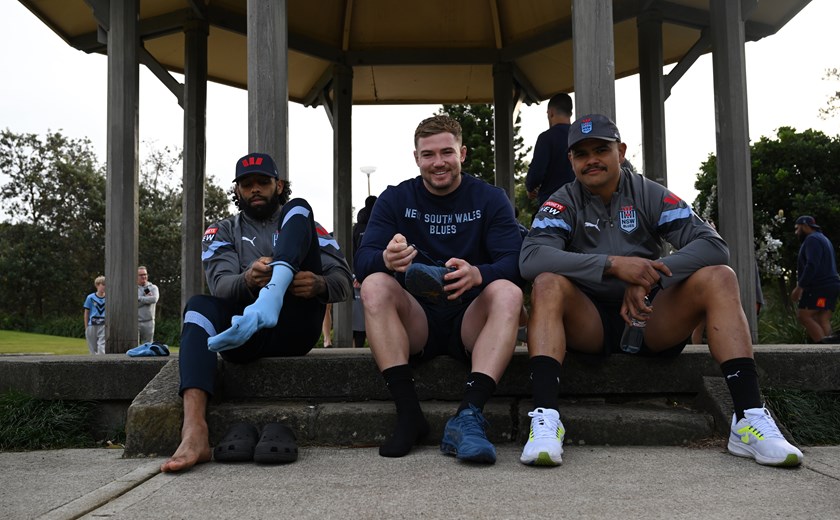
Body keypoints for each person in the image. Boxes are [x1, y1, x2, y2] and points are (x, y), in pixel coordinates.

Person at [518, 113, 802, 468]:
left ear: (620, 151)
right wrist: (612, 265)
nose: (591, 159)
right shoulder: (562, 201)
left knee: (721, 277)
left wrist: (650, 278)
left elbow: (713, 246)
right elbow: (530, 258)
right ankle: (546, 419)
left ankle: (748, 418)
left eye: (601, 149)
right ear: (571, 161)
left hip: (649, 317)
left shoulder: (649, 193)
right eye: (581, 153)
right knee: (546, 283)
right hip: (588, 320)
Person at [160, 152, 352, 473]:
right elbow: (220, 285)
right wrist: (248, 278)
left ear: (278, 185)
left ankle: (275, 294)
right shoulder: (222, 229)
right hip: (245, 331)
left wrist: (319, 284)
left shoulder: (308, 223)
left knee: (300, 207)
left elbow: (344, 281)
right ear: (237, 191)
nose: (255, 190)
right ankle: (194, 429)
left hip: (295, 327)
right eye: (247, 184)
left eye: (263, 182)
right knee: (198, 306)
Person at [354, 115, 524, 463]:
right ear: (416, 158)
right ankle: (409, 415)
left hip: (470, 321)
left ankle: (469, 414)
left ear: (462, 153)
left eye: (447, 152)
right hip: (417, 321)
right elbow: (361, 261)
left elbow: (516, 262)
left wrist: (479, 273)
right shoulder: (394, 198)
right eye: (428, 155)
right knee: (374, 284)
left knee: (508, 291)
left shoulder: (491, 199)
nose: (438, 163)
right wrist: (387, 259)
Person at [790, 215, 840, 343]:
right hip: (830, 285)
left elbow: (812, 264)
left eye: (797, 228)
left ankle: (823, 351)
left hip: (819, 287)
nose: (796, 232)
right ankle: (833, 353)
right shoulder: (824, 239)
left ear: (806, 226)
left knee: (804, 315)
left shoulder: (812, 240)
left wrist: (800, 287)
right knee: (821, 317)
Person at [525, 93, 575, 207]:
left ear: (551, 112)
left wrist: (530, 187)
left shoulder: (546, 138)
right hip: (580, 203)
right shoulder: (579, 136)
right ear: (570, 113)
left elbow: (536, 173)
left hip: (553, 204)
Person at [352, 197, 377, 348]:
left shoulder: (357, 228)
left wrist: (356, 274)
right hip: (376, 275)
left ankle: (357, 347)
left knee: (359, 316)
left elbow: (354, 252)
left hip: (358, 276)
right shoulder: (378, 227)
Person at [83, 276, 106, 355]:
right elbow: (86, 313)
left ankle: (102, 363)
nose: (104, 286)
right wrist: (86, 327)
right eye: (103, 284)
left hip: (103, 325)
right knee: (92, 348)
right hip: (92, 325)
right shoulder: (90, 297)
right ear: (97, 285)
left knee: (101, 346)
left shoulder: (109, 297)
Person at [137, 266, 160, 344]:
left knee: (148, 346)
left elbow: (154, 299)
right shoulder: (133, 288)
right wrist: (146, 299)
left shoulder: (153, 288)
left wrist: (139, 298)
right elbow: (133, 305)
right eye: (141, 275)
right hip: (135, 322)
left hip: (149, 322)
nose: (144, 276)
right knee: (134, 346)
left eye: (145, 274)